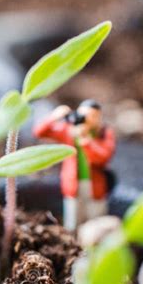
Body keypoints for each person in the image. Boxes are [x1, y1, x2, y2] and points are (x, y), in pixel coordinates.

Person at [33, 99, 116, 230]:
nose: (87, 120)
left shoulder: (104, 133)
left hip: (95, 185)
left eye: (92, 116)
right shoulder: (69, 131)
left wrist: (87, 141)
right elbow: (40, 132)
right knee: (73, 217)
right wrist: (55, 116)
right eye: (83, 115)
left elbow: (103, 157)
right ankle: (73, 242)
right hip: (73, 183)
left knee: (95, 215)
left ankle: (93, 243)